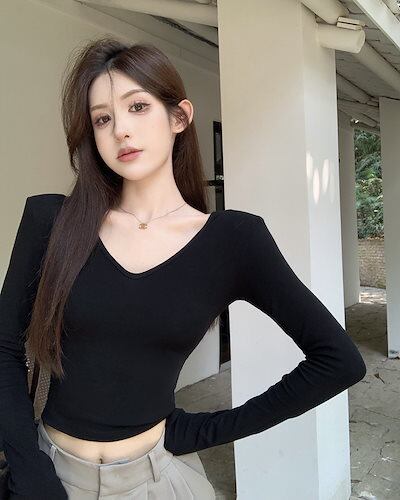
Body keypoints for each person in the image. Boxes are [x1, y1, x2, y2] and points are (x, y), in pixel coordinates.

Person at [0, 37, 366, 499]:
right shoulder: (52, 221)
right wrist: (29, 470)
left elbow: (338, 360)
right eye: (102, 119)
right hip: (49, 476)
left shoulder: (233, 240)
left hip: (155, 482)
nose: (121, 131)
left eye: (137, 107)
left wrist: (203, 430)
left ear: (179, 117)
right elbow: (4, 347)